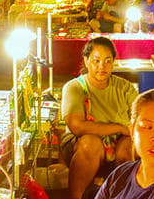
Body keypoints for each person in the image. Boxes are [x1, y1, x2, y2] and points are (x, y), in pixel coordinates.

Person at [62, 37, 139, 199]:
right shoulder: (75, 87)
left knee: (128, 144)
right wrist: (118, 128)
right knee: (91, 143)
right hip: (81, 145)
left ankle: (123, 194)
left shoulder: (125, 88)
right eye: (96, 61)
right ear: (86, 60)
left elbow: (138, 120)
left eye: (107, 61)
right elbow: (77, 126)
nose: (101, 67)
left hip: (118, 144)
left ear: (113, 62)